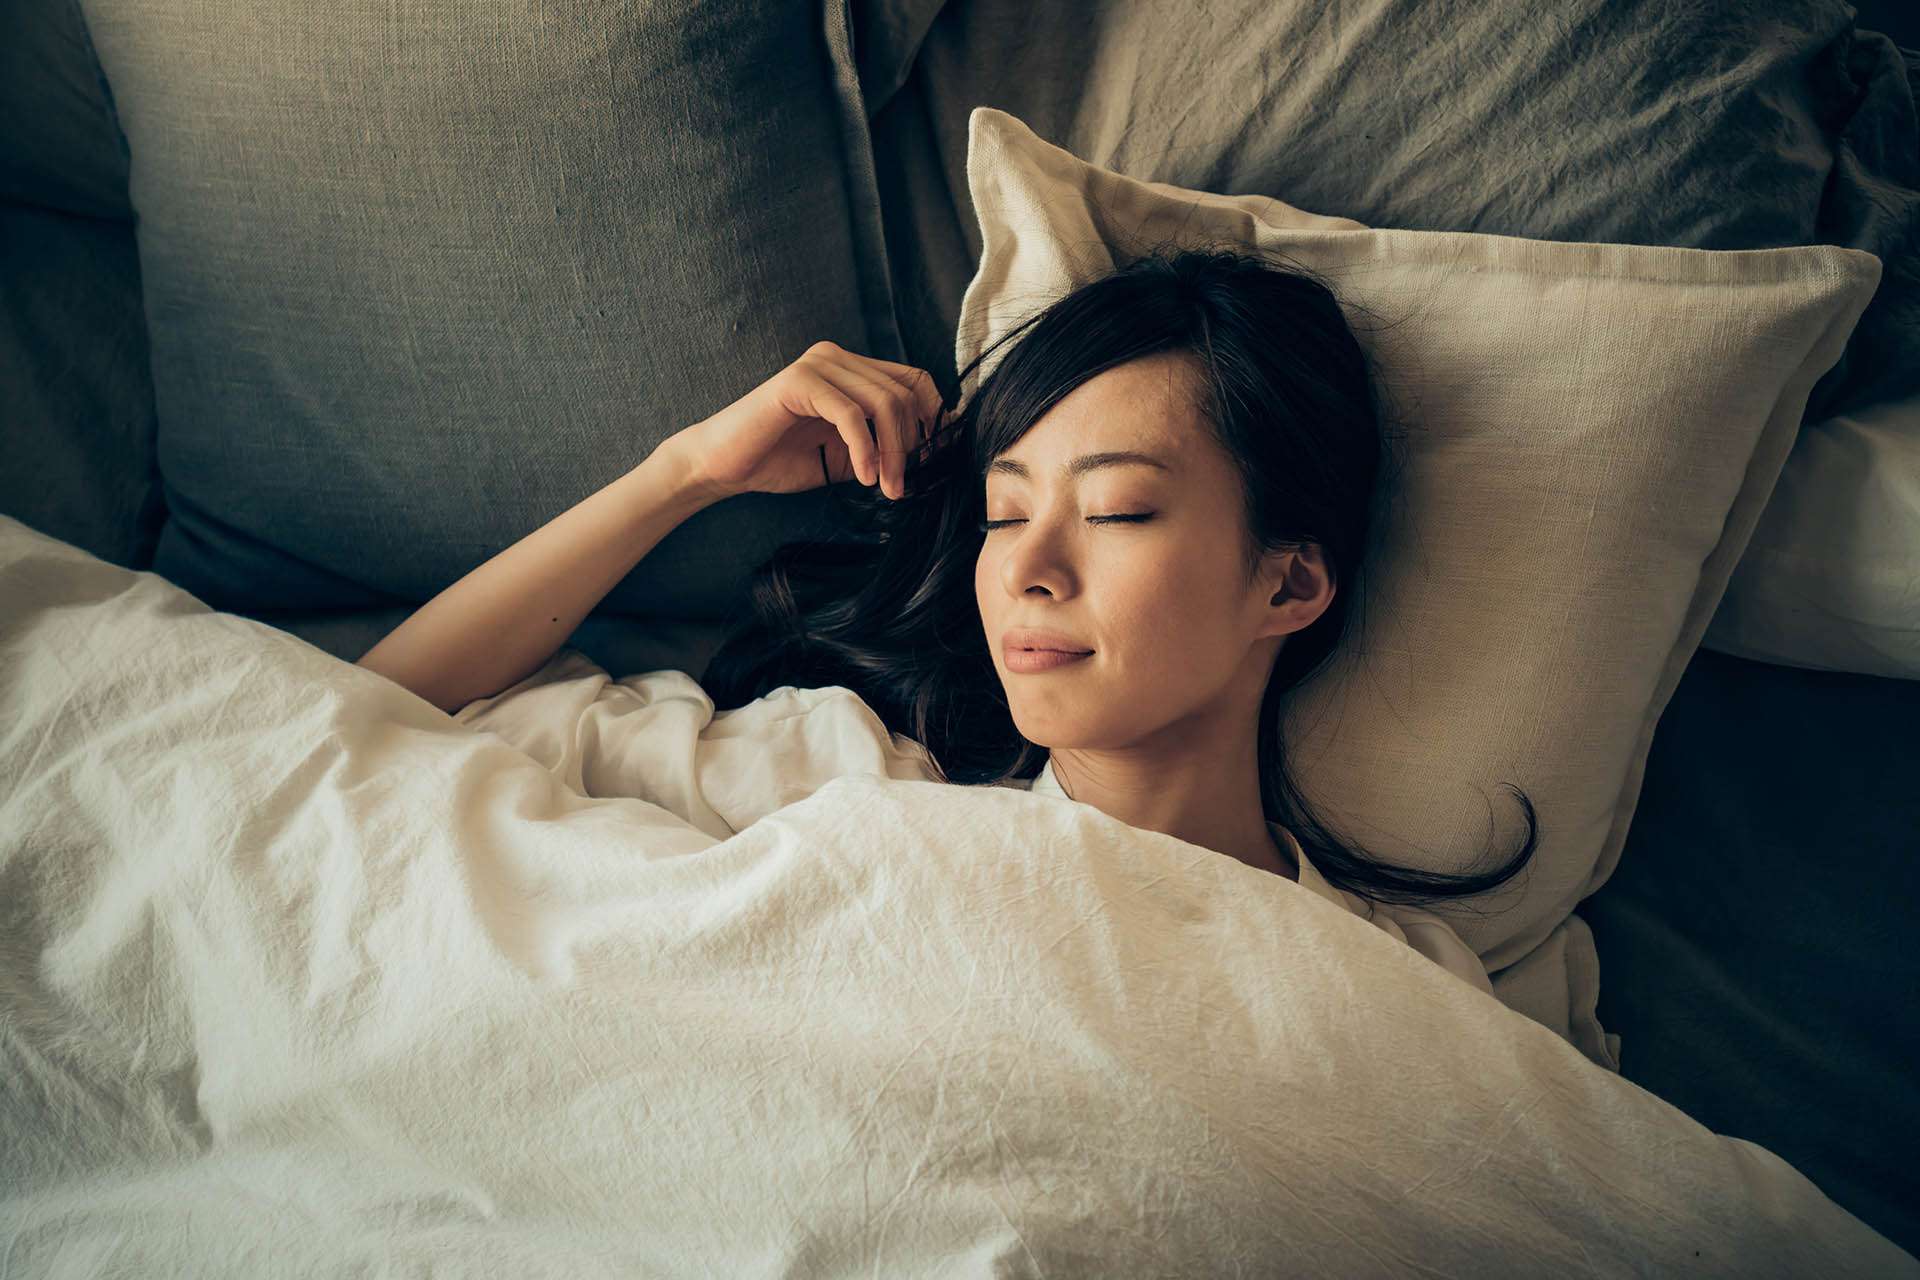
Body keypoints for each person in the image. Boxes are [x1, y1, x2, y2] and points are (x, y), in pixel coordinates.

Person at [358, 248, 1537, 984]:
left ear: (1287, 583)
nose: (1031, 568)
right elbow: (365, 719)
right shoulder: (855, 782)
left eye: (1119, 511)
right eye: (1002, 512)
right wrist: (686, 472)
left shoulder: (1402, 980)